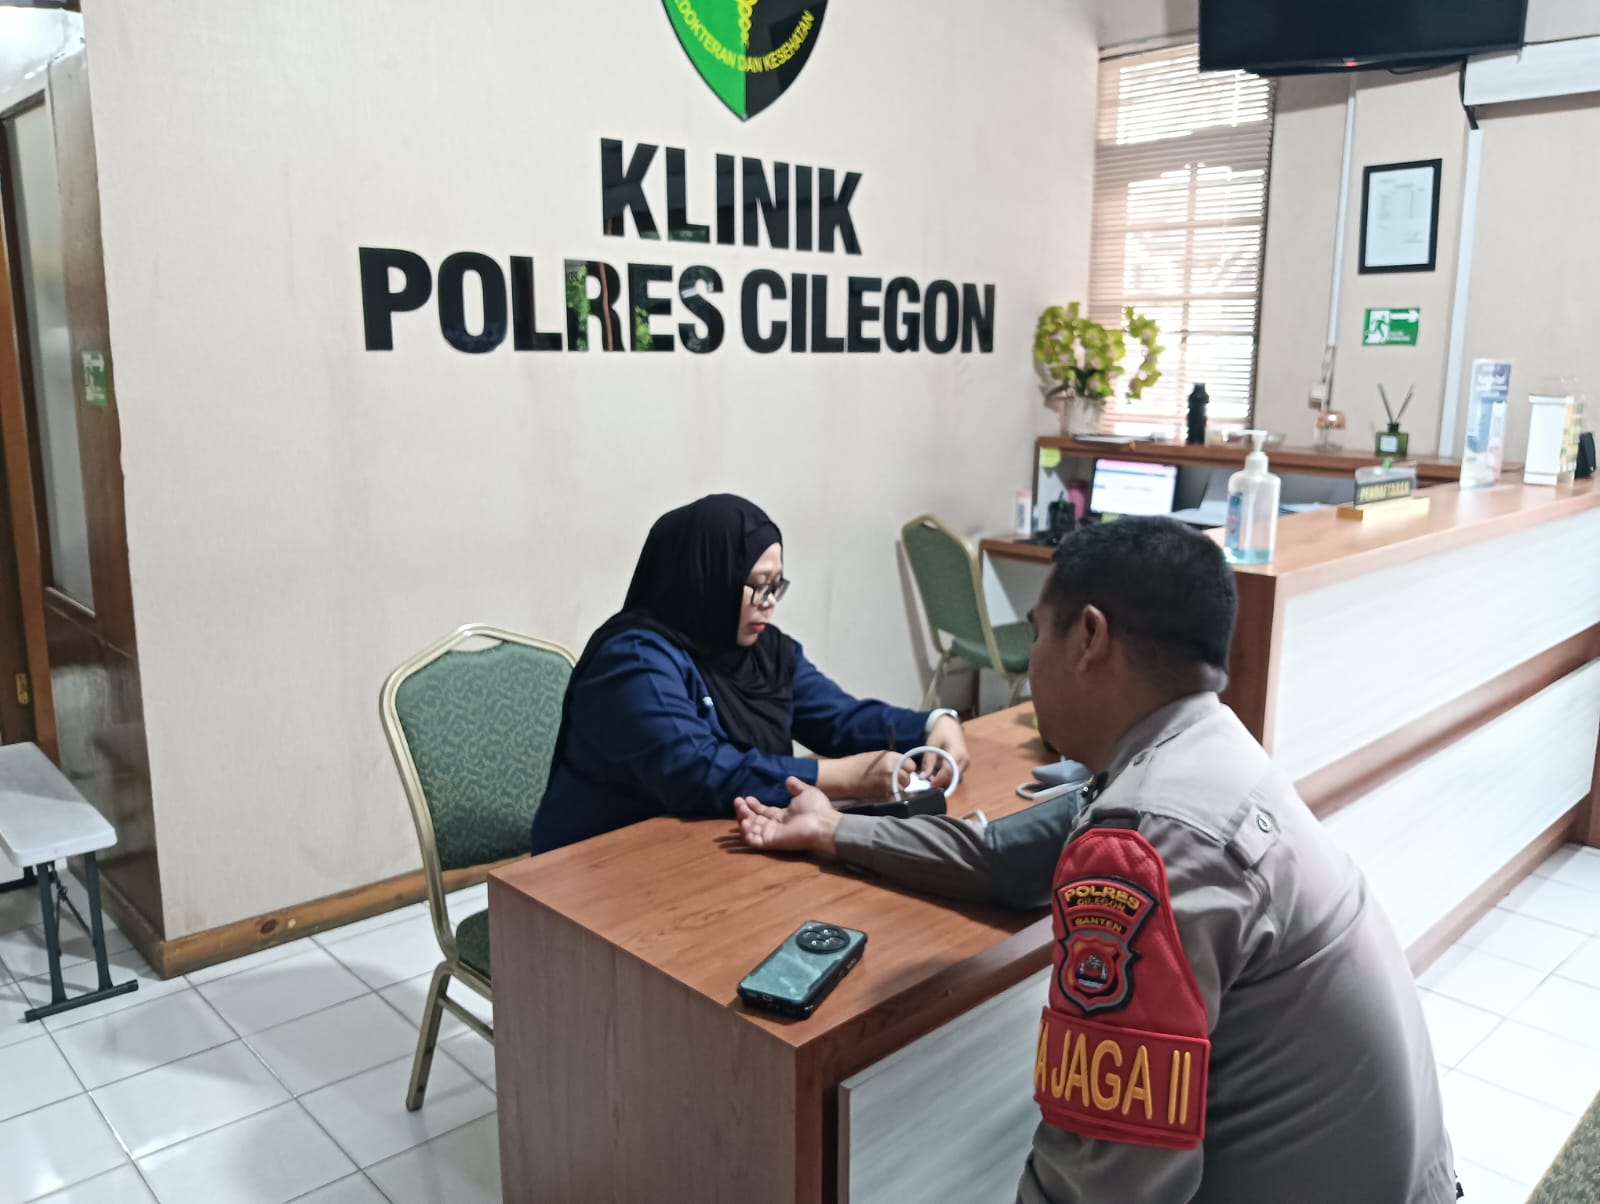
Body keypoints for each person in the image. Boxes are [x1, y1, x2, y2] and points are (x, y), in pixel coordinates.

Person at [735, 517, 1458, 1204]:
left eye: (1037, 634)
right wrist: (838, 831)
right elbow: (1000, 858)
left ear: (1089, 638)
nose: (1031, 666)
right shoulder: (1205, 753)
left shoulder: (1150, 840)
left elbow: (1104, 1182)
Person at [532, 494, 970, 853]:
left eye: (776, 585)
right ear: (708, 579)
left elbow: (839, 718)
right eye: (758, 586)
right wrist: (842, 778)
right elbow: (699, 769)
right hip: (602, 867)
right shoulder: (633, 661)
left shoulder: (764, 652)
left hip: (713, 851)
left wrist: (933, 725)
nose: (770, 602)